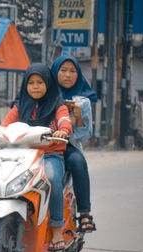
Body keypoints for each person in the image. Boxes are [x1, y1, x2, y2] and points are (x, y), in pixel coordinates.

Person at [0, 63, 72, 251]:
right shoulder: (20, 107)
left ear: (48, 84)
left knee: (51, 179)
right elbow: (3, 127)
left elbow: (65, 121)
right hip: (23, 156)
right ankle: (2, 221)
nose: (35, 86)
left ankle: (57, 229)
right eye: (31, 83)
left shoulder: (57, 104)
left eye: (40, 82)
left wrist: (63, 131)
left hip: (49, 155)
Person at [51, 54, 97, 233]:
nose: (68, 75)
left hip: (68, 145)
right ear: (55, 73)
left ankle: (85, 213)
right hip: (43, 144)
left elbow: (83, 136)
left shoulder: (83, 102)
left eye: (73, 71)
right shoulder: (45, 94)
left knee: (78, 162)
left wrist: (77, 117)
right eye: (63, 70)